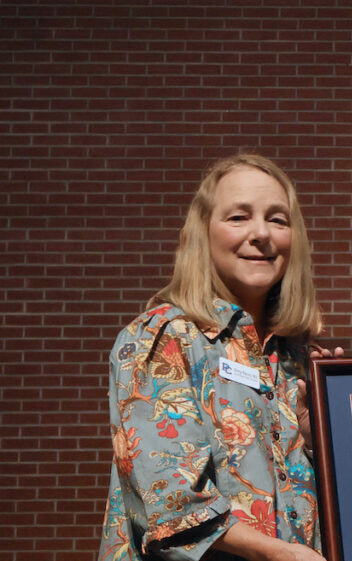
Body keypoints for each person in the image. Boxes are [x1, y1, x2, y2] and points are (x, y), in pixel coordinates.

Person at [98, 154, 328, 561]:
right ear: (203, 233)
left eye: (278, 219)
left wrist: (319, 441)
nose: (261, 233)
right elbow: (171, 506)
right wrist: (280, 554)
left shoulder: (297, 359)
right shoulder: (163, 340)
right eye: (238, 217)